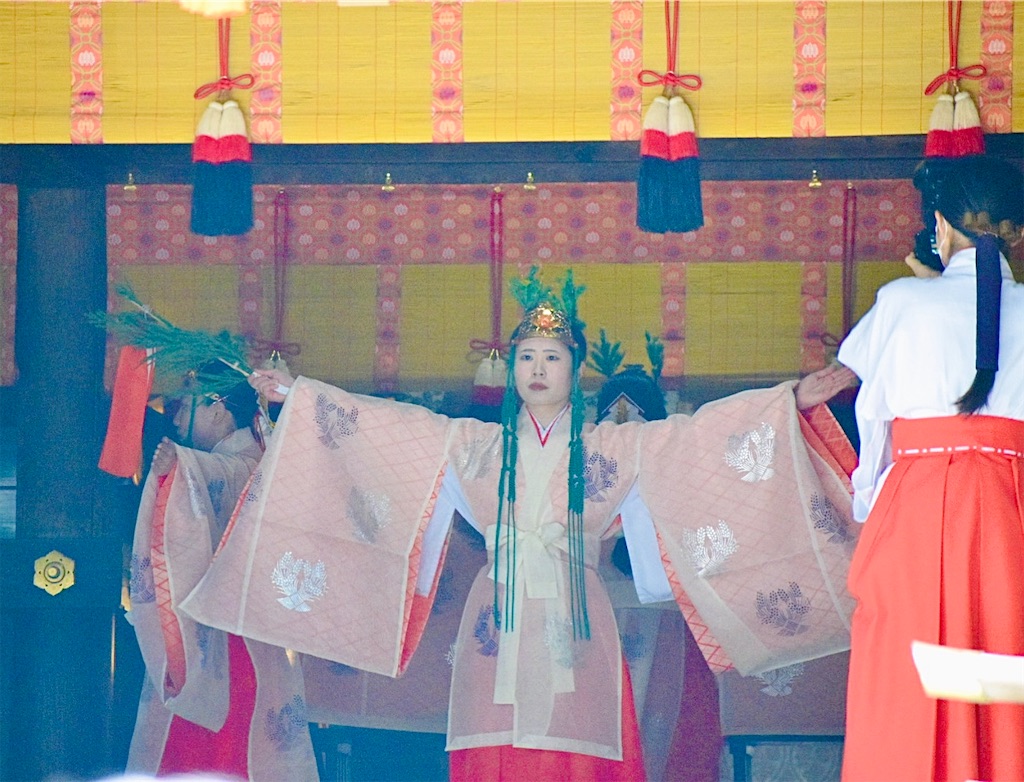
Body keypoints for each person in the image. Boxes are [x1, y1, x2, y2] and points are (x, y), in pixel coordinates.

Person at [182, 269, 858, 781]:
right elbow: (388, 430)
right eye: (527, 357)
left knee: (582, 742)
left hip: (576, 612)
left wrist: (788, 400)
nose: (538, 369)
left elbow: (698, 439)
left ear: (574, 370)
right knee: (494, 741)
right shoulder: (476, 446)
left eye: (552, 358)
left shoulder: (613, 446)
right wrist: (299, 396)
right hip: (497, 618)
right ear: (512, 369)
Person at [836, 154, 1024, 782]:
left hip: (917, 501)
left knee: (906, 671)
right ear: (1017, 232)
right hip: (1010, 506)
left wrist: (868, 500)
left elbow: (872, 420)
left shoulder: (902, 301)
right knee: (1006, 664)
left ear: (940, 224)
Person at [125, 364, 319, 781]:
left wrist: (181, 466)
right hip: (233, 638)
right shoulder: (249, 459)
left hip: (230, 647)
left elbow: (225, 477)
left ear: (217, 409)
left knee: (211, 750)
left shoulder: (249, 464)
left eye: (184, 407)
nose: (176, 419)